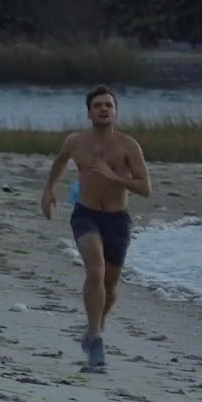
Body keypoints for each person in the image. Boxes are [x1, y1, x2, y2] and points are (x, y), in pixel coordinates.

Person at [40, 85, 152, 370]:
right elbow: (60, 161)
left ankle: (94, 329)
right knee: (95, 270)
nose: (104, 109)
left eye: (108, 105)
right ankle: (97, 338)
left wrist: (114, 176)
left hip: (117, 219)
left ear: (115, 112)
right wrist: (49, 189)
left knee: (110, 283)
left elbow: (145, 188)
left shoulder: (128, 146)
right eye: (98, 105)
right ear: (89, 113)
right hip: (85, 215)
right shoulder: (75, 142)